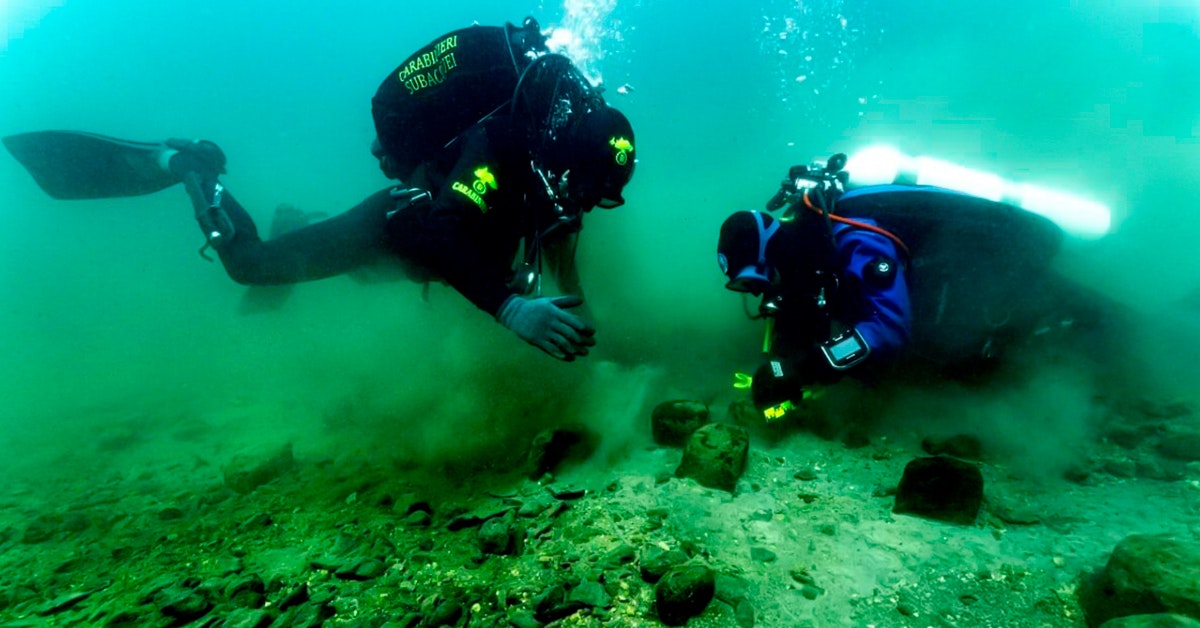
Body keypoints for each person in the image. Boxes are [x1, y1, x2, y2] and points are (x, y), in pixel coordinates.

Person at [4, 18, 636, 362]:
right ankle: (188, 167)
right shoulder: (499, 149)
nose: (582, 200)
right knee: (252, 269)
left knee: (367, 277)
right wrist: (511, 309)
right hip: (400, 226)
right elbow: (430, 230)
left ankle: (296, 217)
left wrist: (586, 332)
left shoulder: (561, 170)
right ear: (568, 153)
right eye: (587, 187)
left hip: (441, 247)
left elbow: (562, 244)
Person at [718, 155, 1065, 422]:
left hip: (1005, 273)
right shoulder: (802, 261)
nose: (758, 295)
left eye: (755, 282)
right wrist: (779, 371)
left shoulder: (855, 238)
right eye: (744, 287)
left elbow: (889, 326)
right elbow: (795, 320)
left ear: (772, 255)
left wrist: (805, 370)